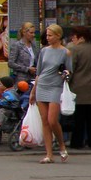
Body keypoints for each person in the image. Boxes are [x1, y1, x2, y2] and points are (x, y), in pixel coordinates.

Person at [29, 23, 71, 163]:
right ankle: (49, 154)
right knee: (45, 121)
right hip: (42, 85)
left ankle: (61, 145)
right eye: (47, 35)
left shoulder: (66, 52)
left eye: (50, 35)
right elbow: (39, 72)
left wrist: (65, 73)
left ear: (58, 36)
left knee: (52, 120)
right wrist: (33, 91)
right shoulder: (44, 51)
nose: (47, 38)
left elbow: (69, 70)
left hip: (56, 86)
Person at [66, 27, 91, 150]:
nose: (72, 39)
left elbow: (70, 69)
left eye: (74, 36)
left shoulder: (74, 49)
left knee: (79, 120)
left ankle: (77, 143)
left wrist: (67, 84)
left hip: (79, 89)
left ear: (81, 37)